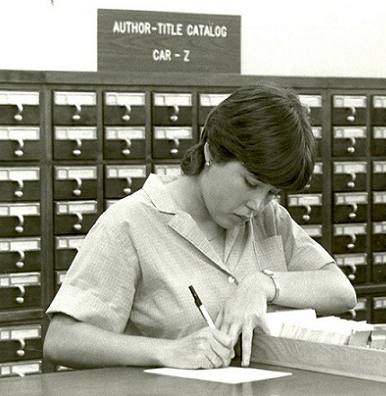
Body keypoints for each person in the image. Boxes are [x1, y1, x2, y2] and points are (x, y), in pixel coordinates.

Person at [44, 84, 357, 370]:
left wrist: (260, 285)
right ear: (212, 151)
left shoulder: (267, 218)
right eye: (251, 183)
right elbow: (61, 340)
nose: (257, 205)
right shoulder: (131, 222)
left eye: (272, 193)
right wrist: (166, 351)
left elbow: (342, 292)